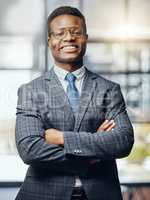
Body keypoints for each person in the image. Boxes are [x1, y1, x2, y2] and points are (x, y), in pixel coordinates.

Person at [15, 6, 134, 200]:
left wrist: (62, 138)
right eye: (60, 33)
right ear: (50, 41)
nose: (69, 38)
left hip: (101, 193)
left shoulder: (109, 89)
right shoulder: (31, 91)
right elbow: (29, 149)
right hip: (42, 194)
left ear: (85, 37)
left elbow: (123, 142)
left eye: (76, 32)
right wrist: (91, 154)